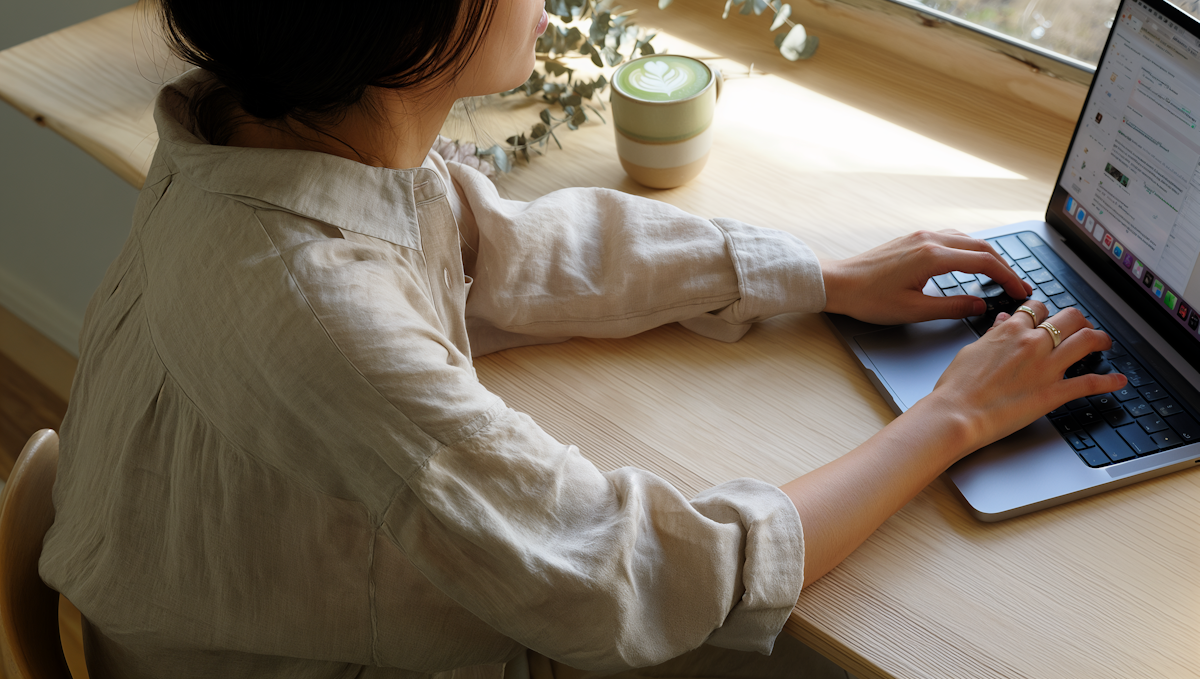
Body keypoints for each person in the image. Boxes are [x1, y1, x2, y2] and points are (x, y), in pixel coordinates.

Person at [38, 0, 1127, 677]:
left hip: (199, 601)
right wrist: (953, 414)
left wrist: (820, 275)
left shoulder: (259, 134)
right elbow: (638, 574)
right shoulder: (317, 309)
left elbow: (508, 252)